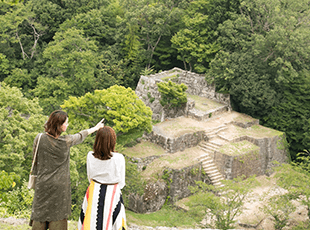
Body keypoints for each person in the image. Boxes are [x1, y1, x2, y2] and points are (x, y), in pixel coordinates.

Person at [30, 110, 105, 230]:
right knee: (58, 216)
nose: (67, 125)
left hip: (42, 185)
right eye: (66, 123)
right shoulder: (65, 142)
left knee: (40, 215)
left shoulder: (39, 138)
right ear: (59, 125)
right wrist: (95, 128)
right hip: (60, 188)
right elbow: (80, 135)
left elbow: (36, 160)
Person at [78, 126, 127, 230]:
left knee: (90, 221)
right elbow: (121, 182)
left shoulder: (90, 156)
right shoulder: (119, 158)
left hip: (94, 191)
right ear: (112, 141)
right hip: (112, 193)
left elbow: (89, 177)